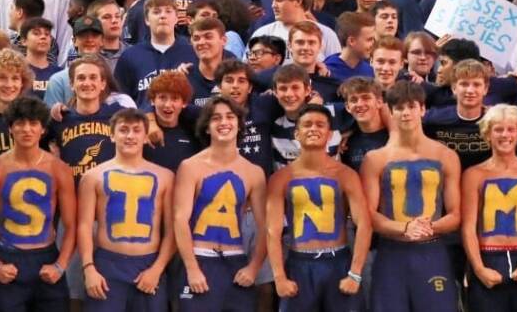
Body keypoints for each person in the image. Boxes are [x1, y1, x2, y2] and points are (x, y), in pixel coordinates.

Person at [360, 81, 461, 312]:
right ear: (391, 111)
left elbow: (456, 214)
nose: (405, 113)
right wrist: (405, 228)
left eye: (411, 106)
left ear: (422, 109)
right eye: (399, 108)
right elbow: (369, 215)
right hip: (391, 252)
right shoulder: (375, 159)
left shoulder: (445, 155)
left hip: (432, 250)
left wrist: (428, 227)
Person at [0, 96, 76, 312]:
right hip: (7, 256)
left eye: (33, 123)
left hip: (47, 257)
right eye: (20, 123)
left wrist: (60, 265)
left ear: (42, 129)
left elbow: (72, 225)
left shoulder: (59, 169)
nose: (26, 129)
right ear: (10, 128)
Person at [265, 104, 372, 311]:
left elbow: (364, 225)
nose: (313, 129)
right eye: (307, 125)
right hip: (299, 263)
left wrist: (355, 273)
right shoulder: (280, 178)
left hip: (338, 262)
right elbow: (272, 231)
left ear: (330, 134)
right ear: (297, 133)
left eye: (320, 125)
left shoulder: (346, 174)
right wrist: (279, 277)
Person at [173, 96, 268, 311]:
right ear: (207, 127)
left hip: (236, 262)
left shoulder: (254, 172)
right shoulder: (190, 166)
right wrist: (192, 268)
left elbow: (265, 227)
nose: (224, 122)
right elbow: (180, 219)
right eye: (216, 118)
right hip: (200, 258)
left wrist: (253, 267)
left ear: (239, 124)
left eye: (229, 117)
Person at [76, 108, 174, 311]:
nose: (130, 136)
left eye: (136, 130)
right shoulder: (92, 176)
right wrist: (89, 268)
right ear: (112, 135)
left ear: (146, 136)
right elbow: (84, 226)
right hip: (107, 265)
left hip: (148, 263)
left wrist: (157, 269)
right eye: (123, 130)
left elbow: (173, 230)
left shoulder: (165, 176)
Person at [460, 104, 517, 312]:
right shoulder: (473, 174)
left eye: (511, 129)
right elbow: (468, 226)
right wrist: (478, 268)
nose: (505, 135)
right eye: (498, 129)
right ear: (487, 134)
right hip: (488, 258)